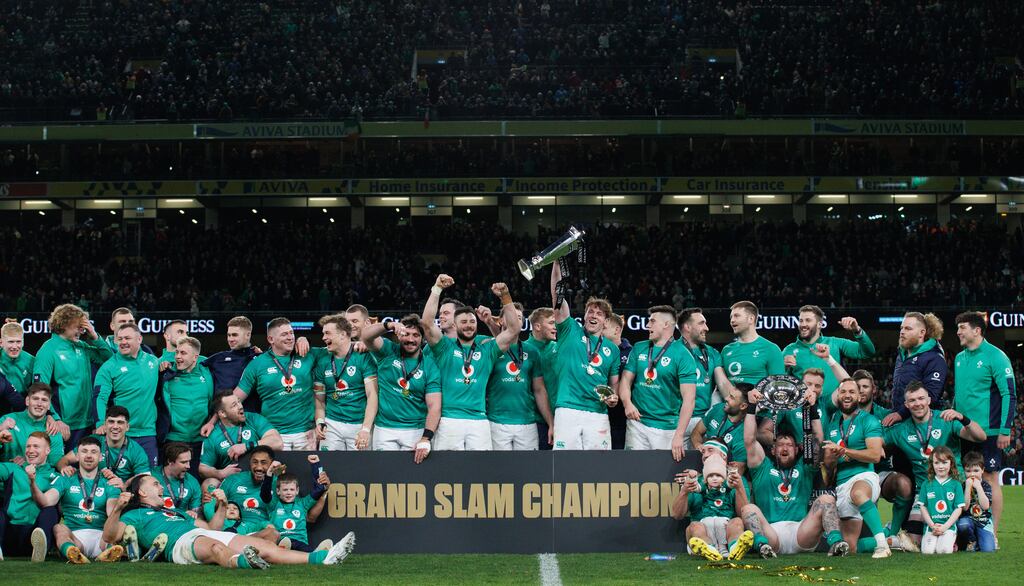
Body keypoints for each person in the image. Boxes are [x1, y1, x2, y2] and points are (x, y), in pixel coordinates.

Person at [102, 473, 355, 568]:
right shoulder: (132, 514)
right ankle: (244, 563)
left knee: (267, 546)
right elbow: (110, 537)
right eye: (155, 484)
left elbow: (213, 527)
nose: (160, 486)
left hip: (197, 532)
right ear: (142, 492)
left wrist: (222, 505)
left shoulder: (176, 512)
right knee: (215, 549)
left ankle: (322, 558)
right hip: (178, 544)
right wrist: (117, 510)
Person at [740, 387, 849, 558]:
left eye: (789, 445)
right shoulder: (762, 467)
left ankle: (836, 543)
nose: (785, 448)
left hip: (800, 532)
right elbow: (749, 440)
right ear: (773, 450)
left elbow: (818, 439)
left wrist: (812, 407)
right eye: (780, 445)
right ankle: (761, 546)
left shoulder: (804, 467)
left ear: (797, 449)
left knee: (826, 499)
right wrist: (752, 407)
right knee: (748, 508)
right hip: (771, 533)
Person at [882, 382, 985, 549]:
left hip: (954, 488)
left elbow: (980, 436)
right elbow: (875, 444)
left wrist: (962, 418)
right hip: (925, 492)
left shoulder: (946, 420)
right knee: (913, 543)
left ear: (929, 400)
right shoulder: (900, 430)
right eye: (912, 400)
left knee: (959, 533)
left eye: (921, 398)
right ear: (906, 405)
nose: (918, 403)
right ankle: (884, 538)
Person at [423, 277, 521, 451]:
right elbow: (427, 323)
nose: (468, 326)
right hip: (449, 419)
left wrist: (505, 297)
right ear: (455, 324)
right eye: (464, 322)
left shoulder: (487, 349)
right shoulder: (444, 348)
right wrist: (437, 288)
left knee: (480, 473)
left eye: (472, 322)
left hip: (479, 421)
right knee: (448, 470)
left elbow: (513, 329)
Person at [952, 311, 1015, 544]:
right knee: (965, 477)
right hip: (964, 431)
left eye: (962, 327)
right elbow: (960, 396)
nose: (958, 332)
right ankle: (969, 532)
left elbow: (1009, 394)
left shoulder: (996, 357)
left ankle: (992, 533)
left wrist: (1004, 430)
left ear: (976, 331)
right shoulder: (959, 358)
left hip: (989, 431)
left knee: (989, 478)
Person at [549, 262, 621, 450]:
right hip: (568, 409)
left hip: (597, 413)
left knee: (599, 466)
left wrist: (613, 398)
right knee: (564, 464)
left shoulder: (612, 350)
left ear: (605, 321)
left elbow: (614, 387)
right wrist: (557, 262)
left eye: (599, 313)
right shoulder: (569, 329)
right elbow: (557, 296)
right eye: (590, 311)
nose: (593, 315)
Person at [26, 436, 124, 563]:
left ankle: (108, 551)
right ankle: (73, 553)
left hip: (102, 537)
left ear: (100, 458)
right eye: (84, 451)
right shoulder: (65, 479)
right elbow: (45, 501)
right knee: (58, 528)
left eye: (93, 452)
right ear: (77, 456)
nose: (89, 455)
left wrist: (120, 505)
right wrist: (32, 482)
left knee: (118, 526)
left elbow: (112, 512)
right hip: (74, 537)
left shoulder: (110, 482)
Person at [822, 378, 890, 558]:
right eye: (843, 392)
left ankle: (883, 546)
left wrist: (845, 451)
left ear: (859, 397)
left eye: (852, 392)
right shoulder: (833, 422)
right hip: (841, 484)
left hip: (864, 477)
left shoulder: (869, 420)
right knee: (851, 547)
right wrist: (830, 460)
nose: (847, 396)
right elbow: (829, 465)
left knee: (858, 494)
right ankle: (892, 538)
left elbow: (875, 455)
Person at [618, 305, 697, 461]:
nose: (648, 325)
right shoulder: (639, 348)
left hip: (667, 427)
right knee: (633, 471)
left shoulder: (683, 355)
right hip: (637, 423)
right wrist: (627, 404)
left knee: (661, 478)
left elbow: (689, 399)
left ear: (666, 324)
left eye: (652, 321)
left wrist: (679, 435)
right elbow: (626, 380)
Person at [361, 315, 441, 462]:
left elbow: (434, 406)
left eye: (416, 335)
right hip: (384, 429)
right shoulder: (388, 351)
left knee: (411, 478)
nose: (410, 339)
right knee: (383, 477)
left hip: (415, 430)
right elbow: (366, 336)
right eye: (406, 334)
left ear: (422, 339)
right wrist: (388, 326)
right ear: (399, 336)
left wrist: (425, 438)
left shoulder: (430, 366)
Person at [32, 303, 113, 448]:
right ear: (64, 324)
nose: (82, 330)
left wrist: (94, 336)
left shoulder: (81, 346)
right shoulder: (48, 350)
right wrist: (55, 418)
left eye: (83, 327)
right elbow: (39, 389)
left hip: (88, 422)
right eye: (78, 326)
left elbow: (110, 360)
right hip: (66, 425)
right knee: (66, 468)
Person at [235, 318, 317, 450]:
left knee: (310, 470)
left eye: (291, 333)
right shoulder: (257, 364)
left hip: (307, 433)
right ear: (271, 339)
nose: (290, 337)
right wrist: (213, 421)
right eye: (284, 334)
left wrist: (360, 343)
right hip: (275, 435)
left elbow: (339, 350)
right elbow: (236, 398)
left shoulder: (307, 354)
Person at [782, 305, 875, 417]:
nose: (803, 324)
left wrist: (857, 330)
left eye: (808, 320)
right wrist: (784, 366)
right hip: (803, 411)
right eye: (801, 320)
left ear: (819, 324)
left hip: (835, 410)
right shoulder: (789, 350)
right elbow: (780, 381)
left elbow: (867, 352)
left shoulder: (834, 343)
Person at [95, 323, 161, 466]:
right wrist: (100, 423)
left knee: (148, 478)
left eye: (127, 338)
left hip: (148, 433)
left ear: (139, 339)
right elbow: (100, 397)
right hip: (121, 434)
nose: (123, 342)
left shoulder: (154, 362)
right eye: (120, 339)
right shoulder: (108, 367)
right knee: (117, 478)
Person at [312, 314, 378, 451]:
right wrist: (320, 422)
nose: (323, 338)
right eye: (323, 333)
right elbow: (319, 399)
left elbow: (372, 395)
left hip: (359, 424)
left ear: (342, 334)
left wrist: (366, 428)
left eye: (327, 333)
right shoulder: (323, 361)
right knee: (330, 467)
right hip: (332, 425)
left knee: (361, 469)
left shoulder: (363, 356)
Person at [671, 452, 753, 561]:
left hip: (725, 531)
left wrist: (739, 488)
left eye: (710, 450)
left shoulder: (736, 481)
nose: (705, 454)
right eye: (703, 451)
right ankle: (708, 548)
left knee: (737, 521)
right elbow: (676, 514)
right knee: (695, 526)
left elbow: (745, 512)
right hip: (702, 530)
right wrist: (684, 491)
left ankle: (735, 547)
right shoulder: (697, 484)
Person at [0, 431, 61, 561]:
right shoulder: (13, 468)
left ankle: (40, 551)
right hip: (8, 532)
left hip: (34, 534)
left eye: (36, 446)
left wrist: (32, 480)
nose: (30, 450)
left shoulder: (56, 477)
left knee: (50, 511)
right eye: (28, 446)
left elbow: (46, 503)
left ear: (47, 450)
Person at [199, 392, 283, 480]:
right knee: (209, 483)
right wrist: (219, 473)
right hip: (233, 481)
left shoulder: (253, 418)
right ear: (223, 413)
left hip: (261, 475)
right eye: (234, 405)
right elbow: (203, 468)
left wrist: (246, 446)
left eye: (239, 402)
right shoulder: (213, 435)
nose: (240, 406)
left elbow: (277, 442)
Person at [678, 308, 734, 441]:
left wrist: (738, 401)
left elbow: (722, 383)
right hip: (676, 420)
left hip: (703, 421)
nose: (707, 328)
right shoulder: (672, 351)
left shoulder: (712, 353)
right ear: (687, 327)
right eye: (701, 323)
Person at [161, 336, 214, 474]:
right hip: (174, 439)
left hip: (200, 440)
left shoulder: (207, 371)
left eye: (183, 353)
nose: (178, 356)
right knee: (173, 479)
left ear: (195, 357)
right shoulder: (167, 374)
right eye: (177, 352)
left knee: (195, 480)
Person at [58, 406, 151, 482]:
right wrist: (64, 467)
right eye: (111, 422)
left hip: (120, 492)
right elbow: (64, 460)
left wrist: (124, 485)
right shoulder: (93, 441)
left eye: (120, 422)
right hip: (92, 490)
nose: (115, 426)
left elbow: (144, 478)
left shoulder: (136, 450)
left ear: (127, 427)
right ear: (105, 425)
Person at [885, 312, 947, 426]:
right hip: (901, 421)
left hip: (924, 425)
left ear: (921, 333)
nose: (902, 332)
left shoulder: (934, 358)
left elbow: (931, 396)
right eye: (901, 328)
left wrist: (900, 414)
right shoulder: (902, 355)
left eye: (908, 328)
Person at [260, 455, 332, 552]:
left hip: (300, 542)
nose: (289, 492)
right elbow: (264, 494)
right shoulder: (274, 504)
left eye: (291, 489)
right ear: (278, 491)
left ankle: (317, 553)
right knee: (284, 543)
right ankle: (309, 553)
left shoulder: (302, 503)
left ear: (297, 491)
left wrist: (316, 465)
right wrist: (269, 473)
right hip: (280, 541)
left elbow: (320, 488)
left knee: (302, 548)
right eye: (285, 490)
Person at [219, 446, 283, 541]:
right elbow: (214, 505)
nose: (259, 467)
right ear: (250, 463)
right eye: (255, 462)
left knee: (273, 533)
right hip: (231, 531)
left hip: (258, 534)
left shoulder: (278, 483)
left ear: (271, 464)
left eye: (264, 462)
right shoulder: (233, 479)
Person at [203, 316, 262, 412]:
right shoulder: (218, 359)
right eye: (228, 335)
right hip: (223, 418)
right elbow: (192, 363)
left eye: (234, 335)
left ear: (248, 335)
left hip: (252, 419)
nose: (230, 339)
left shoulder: (260, 358)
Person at [690, 384, 751, 475]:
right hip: (703, 465)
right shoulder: (718, 409)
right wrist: (698, 444)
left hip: (721, 480)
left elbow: (735, 475)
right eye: (729, 394)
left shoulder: (745, 435)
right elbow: (696, 432)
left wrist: (702, 477)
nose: (726, 398)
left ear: (743, 406)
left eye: (732, 397)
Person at [721, 301, 785, 385]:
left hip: (758, 397)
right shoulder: (726, 350)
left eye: (736, 316)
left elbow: (778, 386)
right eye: (731, 317)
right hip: (729, 397)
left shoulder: (771, 349)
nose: (732, 320)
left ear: (751, 319)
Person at [915, 446, 964, 555]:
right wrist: (932, 525)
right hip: (931, 527)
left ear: (951, 463)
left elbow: (958, 509)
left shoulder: (956, 484)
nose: (940, 466)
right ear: (932, 464)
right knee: (927, 552)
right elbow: (923, 507)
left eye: (944, 462)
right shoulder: (926, 484)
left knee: (943, 551)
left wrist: (945, 527)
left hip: (948, 526)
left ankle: (953, 540)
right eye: (937, 463)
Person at [0, 383, 64, 465]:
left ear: (49, 405)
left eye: (44, 400)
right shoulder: (6, 420)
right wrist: (1, 428)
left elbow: (55, 465)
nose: (39, 404)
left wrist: (27, 465)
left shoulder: (53, 430)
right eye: (35, 398)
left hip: (38, 477)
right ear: (27, 401)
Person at [522, 307, 558, 449]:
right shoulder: (523, 349)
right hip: (534, 420)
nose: (555, 327)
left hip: (562, 417)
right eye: (551, 323)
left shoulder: (559, 348)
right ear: (537, 326)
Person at [956, 451, 995, 552]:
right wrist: (968, 488)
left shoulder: (986, 486)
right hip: (968, 520)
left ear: (982, 470)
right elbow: (964, 507)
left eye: (976, 470)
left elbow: (985, 506)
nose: (972, 474)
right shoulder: (963, 486)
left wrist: (978, 487)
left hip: (983, 521)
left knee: (988, 550)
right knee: (962, 525)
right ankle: (971, 540)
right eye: (968, 471)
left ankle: (981, 540)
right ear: (964, 471)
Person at [152, 443, 203, 517]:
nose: (188, 466)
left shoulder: (192, 482)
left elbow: (196, 509)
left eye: (189, 461)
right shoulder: (151, 476)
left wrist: (193, 513)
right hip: (157, 519)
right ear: (170, 461)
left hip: (182, 522)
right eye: (183, 462)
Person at [602, 313, 629, 450]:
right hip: (601, 411)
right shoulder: (596, 352)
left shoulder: (632, 353)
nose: (600, 332)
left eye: (604, 328)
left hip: (624, 416)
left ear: (617, 330)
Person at [1, 320, 33, 395]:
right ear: (1, 342)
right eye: (11, 342)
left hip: (23, 403)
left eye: (18, 342)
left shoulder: (32, 362)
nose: (15, 347)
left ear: (23, 342)